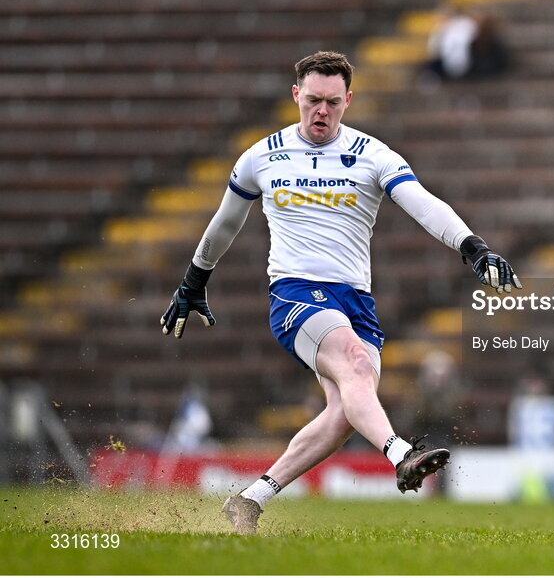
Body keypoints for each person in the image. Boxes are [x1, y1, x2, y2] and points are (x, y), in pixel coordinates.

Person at [159, 51, 522, 534]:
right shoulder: (261, 156)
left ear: (348, 100)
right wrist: (193, 280)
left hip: (355, 301)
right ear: (296, 96)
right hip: (295, 294)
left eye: (332, 102)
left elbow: (423, 203)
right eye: (312, 101)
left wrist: (472, 248)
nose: (321, 112)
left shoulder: (373, 154)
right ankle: (402, 454)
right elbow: (225, 223)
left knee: (346, 410)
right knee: (353, 363)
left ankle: (250, 498)